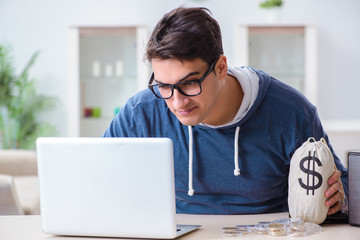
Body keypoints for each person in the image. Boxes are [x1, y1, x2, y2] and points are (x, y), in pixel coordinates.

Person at [103, 7, 347, 215]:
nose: (177, 102)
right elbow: (96, 175)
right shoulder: (141, 112)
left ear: (221, 68)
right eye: (164, 86)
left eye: (189, 83)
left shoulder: (291, 112)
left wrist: (339, 196)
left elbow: (341, 184)